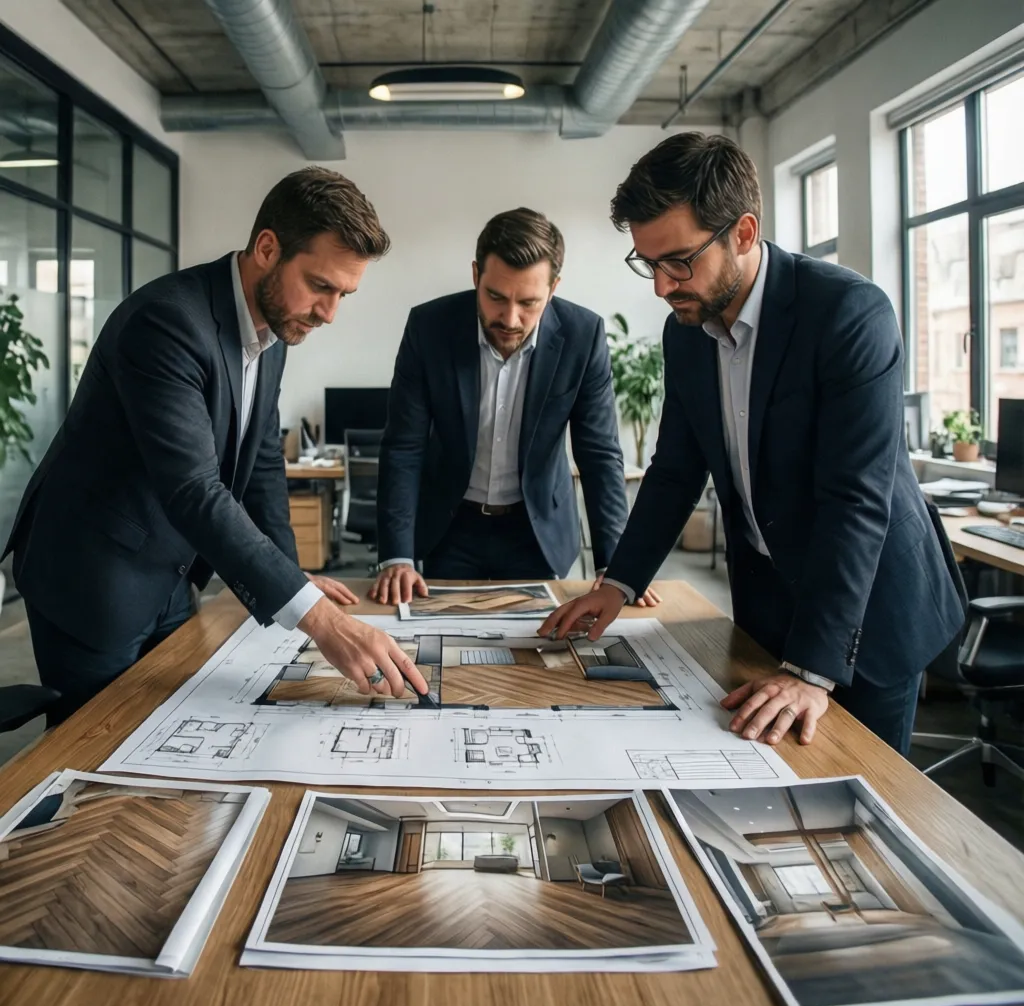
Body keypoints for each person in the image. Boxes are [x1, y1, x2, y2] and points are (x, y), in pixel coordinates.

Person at [541, 133, 963, 755]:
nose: (661, 286)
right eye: (648, 263)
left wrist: (812, 671)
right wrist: (618, 583)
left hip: (868, 609)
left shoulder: (849, 314)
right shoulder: (686, 331)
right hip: (769, 606)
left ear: (742, 232)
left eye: (678, 261)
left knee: (863, 796)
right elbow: (675, 470)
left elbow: (855, 499)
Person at [5, 166, 427, 726]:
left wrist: (290, 573)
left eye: (344, 294)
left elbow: (261, 465)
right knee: (98, 754)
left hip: (173, 570)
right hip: (94, 575)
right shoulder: (168, 322)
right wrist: (318, 618)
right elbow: (192, 487)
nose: (329, 313)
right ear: (268, 247)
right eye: (321, 286)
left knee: (170, 737)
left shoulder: (275, 329)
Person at [370, 207, 659, 607]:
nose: (510, 318)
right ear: (476, 276)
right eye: (495, 297)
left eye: (529, 302)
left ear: (553, 288)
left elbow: (599, 454)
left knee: (540, 653)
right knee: (444, 647)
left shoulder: (583, 335)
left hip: (535, 528)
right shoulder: (430, 327)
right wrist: (397, 556)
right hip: (451, 525)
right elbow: (404, 446)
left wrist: (616, 565)